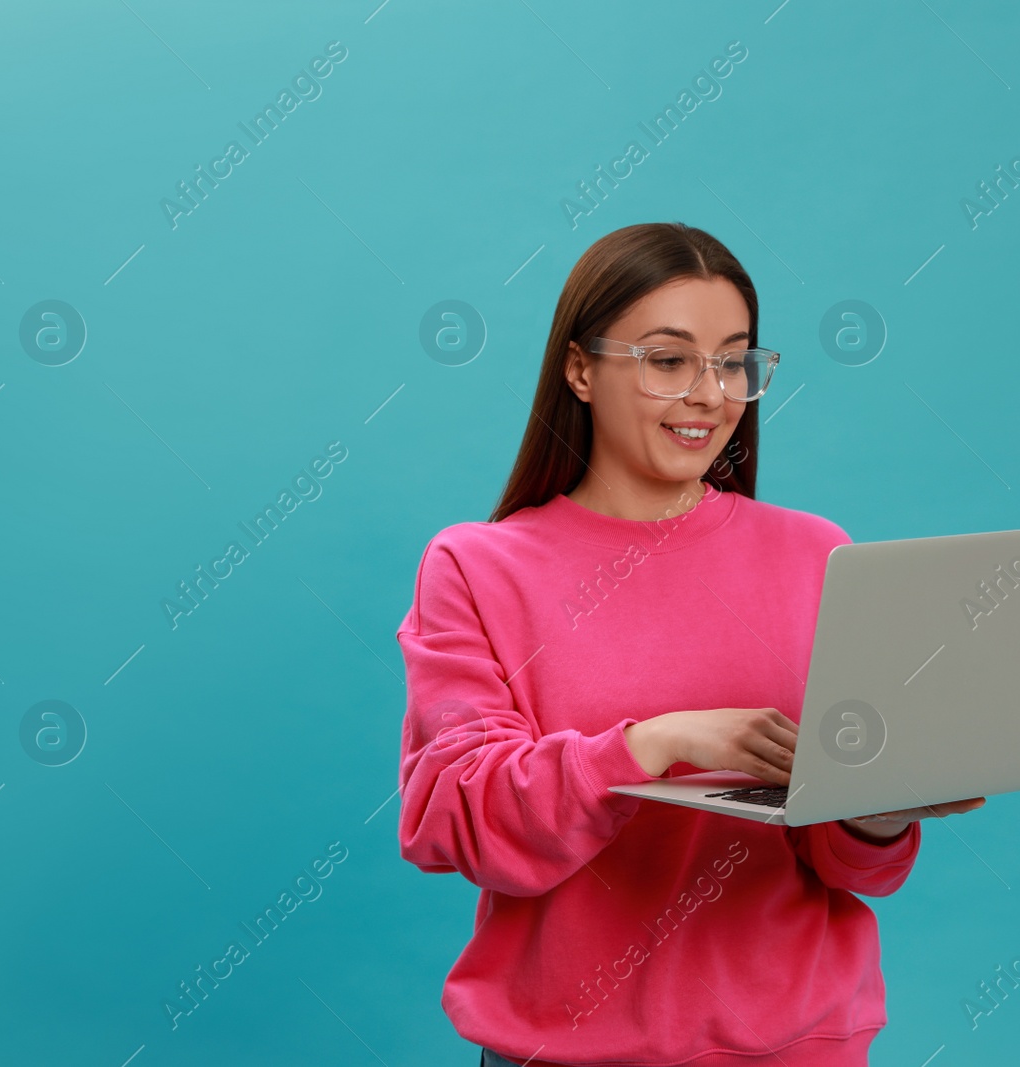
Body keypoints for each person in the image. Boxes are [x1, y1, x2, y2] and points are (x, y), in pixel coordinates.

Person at [396, 221, 986, 1067]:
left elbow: (851, 866)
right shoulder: (478, 566)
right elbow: (452, 818)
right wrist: (656, 744)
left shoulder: (816, 553)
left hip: (799, 1046)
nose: (710, 393)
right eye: (668, 359)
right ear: (579, 369)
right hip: (567, 1051)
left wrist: (881, 807)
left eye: (735, 361)